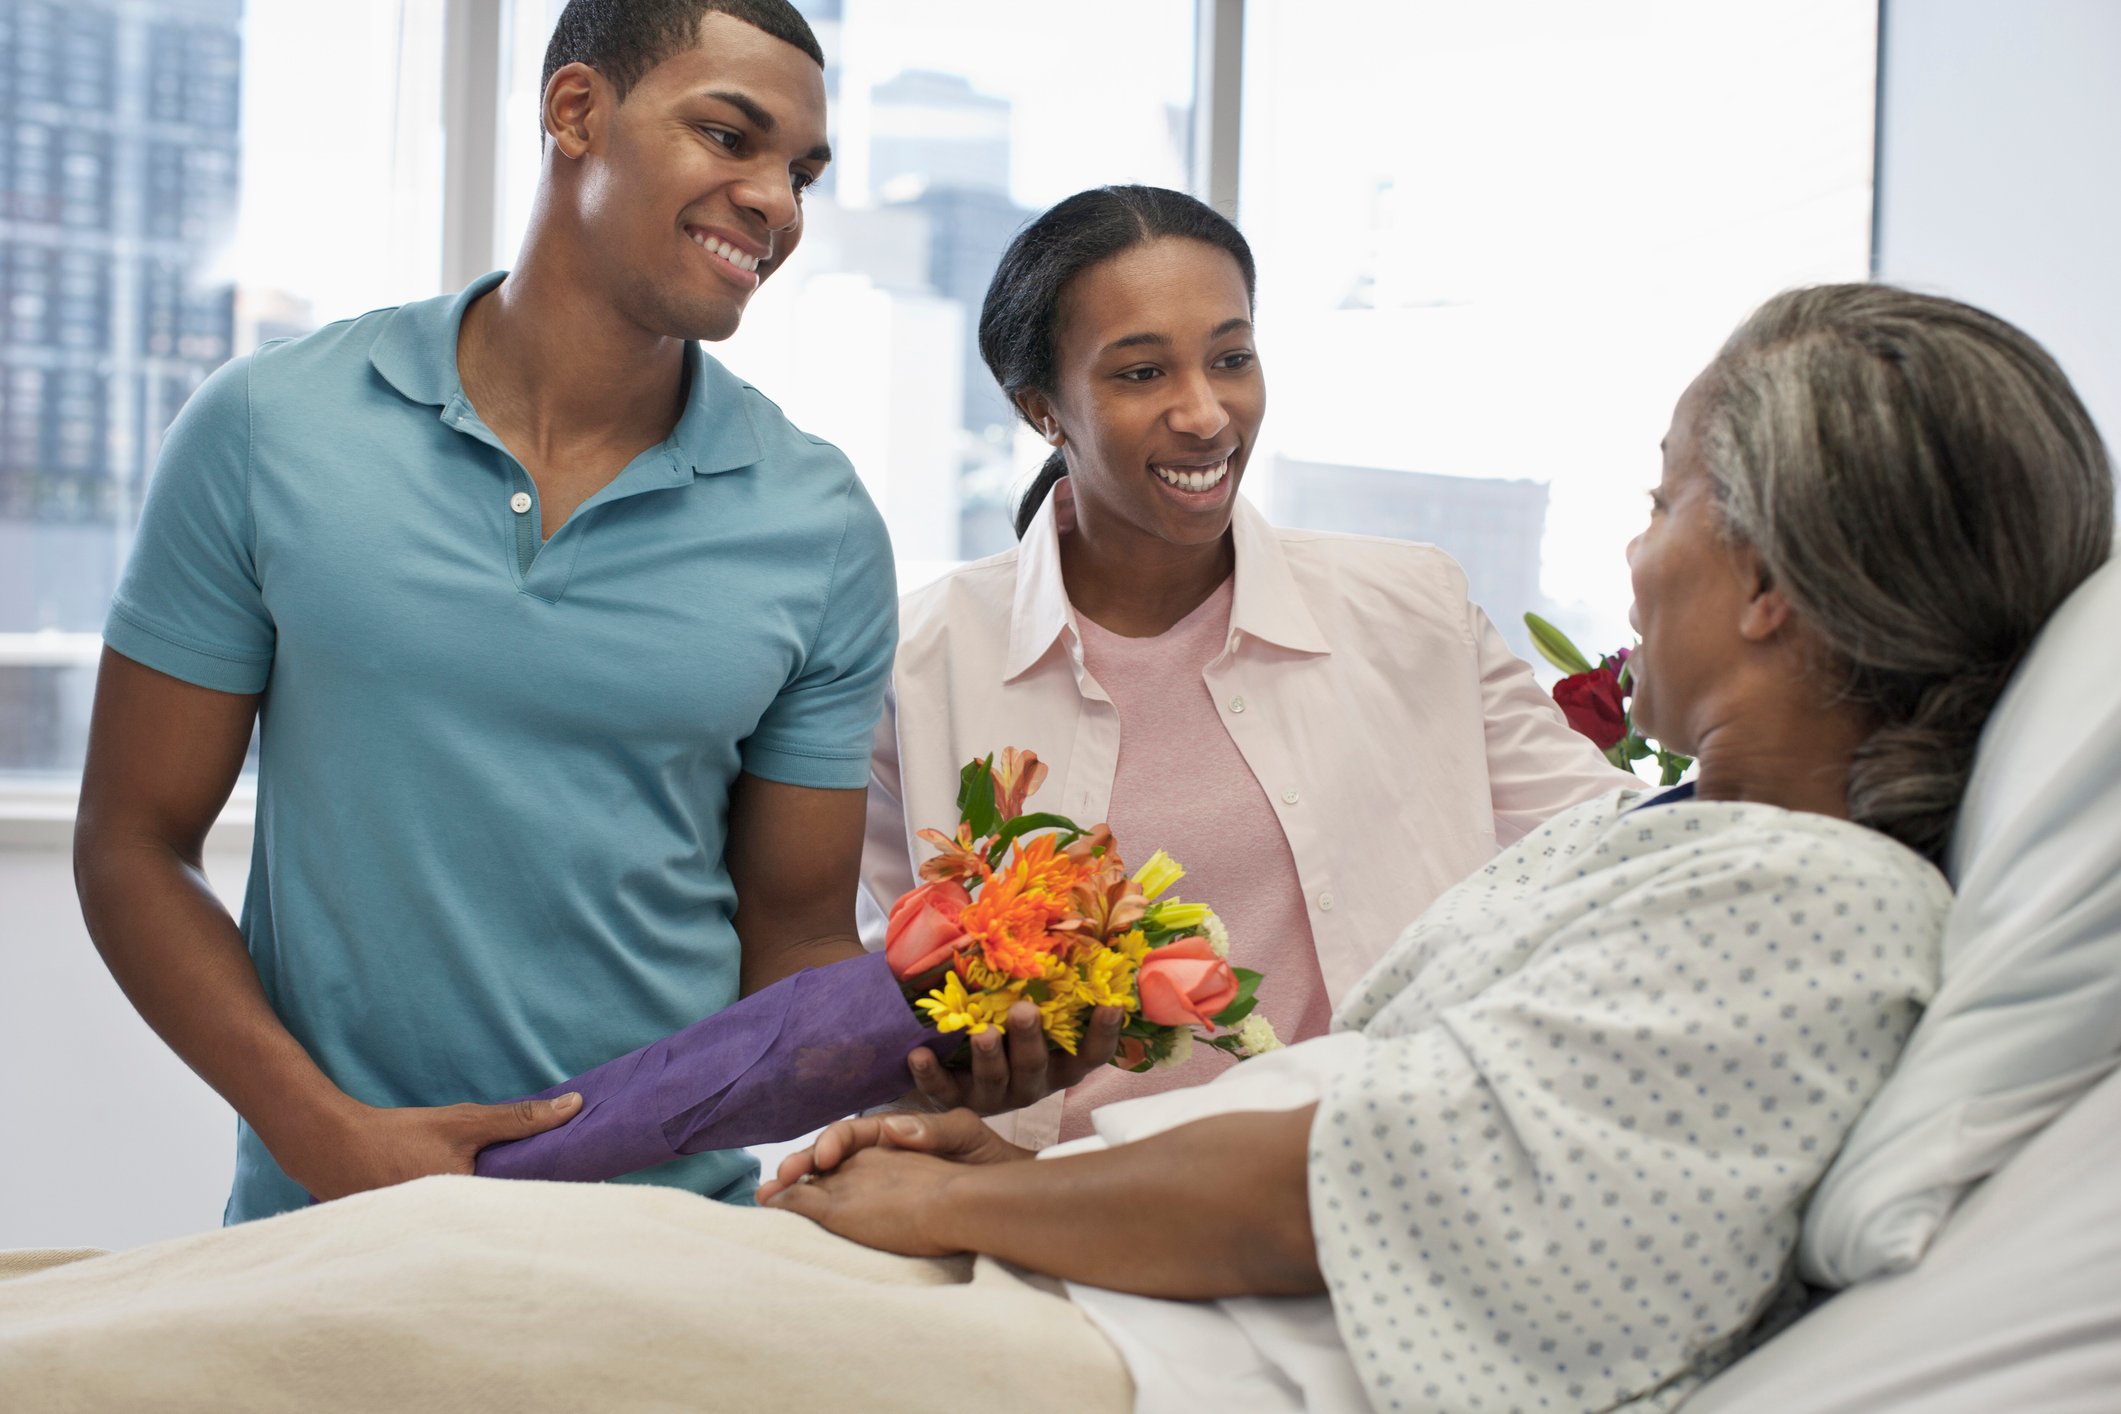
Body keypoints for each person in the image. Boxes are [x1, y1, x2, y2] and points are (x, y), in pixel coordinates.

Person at [10, 286, 2107, 1414]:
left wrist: (952, 1189)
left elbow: (1364, 1170)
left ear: (1766, 579)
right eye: (1137, 364)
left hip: (1119, 1339)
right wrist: (984, 1146)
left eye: (1666, 494)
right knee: (332, 1271)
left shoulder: (1811, 905)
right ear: (1039, 406)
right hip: (1061, 1251)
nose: (1631, 550)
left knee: (418, 1291)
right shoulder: (1697, 855)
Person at [69, 0, 897, 1223]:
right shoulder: (269, 427)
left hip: (671, 1240)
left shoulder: (820, 522)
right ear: (575, 113)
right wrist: (325, 1136)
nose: (777, 201)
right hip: (324, 1227)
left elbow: (798, 950)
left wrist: (939, 1034)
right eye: (731, 137)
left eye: (802, 172)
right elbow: (133, 843)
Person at [867, 186, 1631, 1136]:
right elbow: (879, 1001)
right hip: (1042, 1200)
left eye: (1230, 359)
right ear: (1041, 410)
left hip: (1355, 1177)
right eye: (1142, 374)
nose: (1204, 413)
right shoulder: (920, 661)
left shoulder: (1411, 610)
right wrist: (955, 1069)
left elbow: (1615, 851)